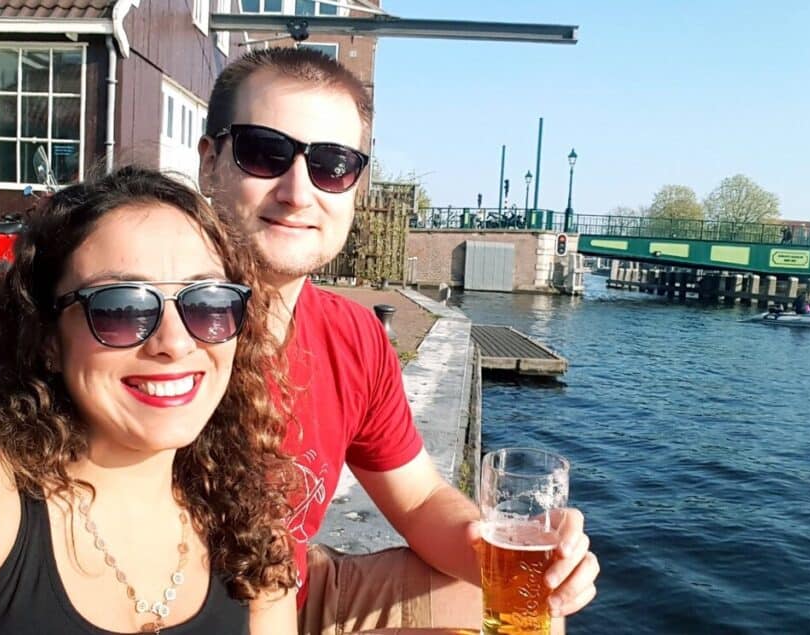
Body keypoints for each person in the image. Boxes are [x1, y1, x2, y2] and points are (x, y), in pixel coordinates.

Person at [197, 48, 599, 632]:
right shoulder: (148, 332)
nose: (298, 190)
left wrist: (509, 554)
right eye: (265, 152)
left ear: (355, 185)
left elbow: (415, 500)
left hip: (302, 587)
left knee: (522, 607)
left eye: (333, 165)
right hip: (197, 611)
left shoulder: (354, 335)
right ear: (210, 163)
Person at [0, 167, 299, 634]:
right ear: (48, 338)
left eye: (209, 302)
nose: (175, 343)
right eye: (122, 307)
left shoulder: (251, 536)